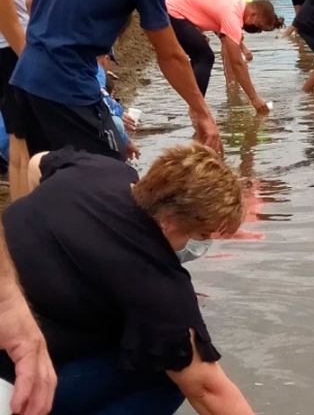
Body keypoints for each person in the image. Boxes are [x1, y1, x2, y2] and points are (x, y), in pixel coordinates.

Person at [0, 143, 254, 414]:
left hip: (15, 316)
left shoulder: (102, 170)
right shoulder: (157, 284)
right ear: (169, 220)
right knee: (165, 371)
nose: (202, 245)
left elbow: (36, 163)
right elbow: (208, 390)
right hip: (18, 378)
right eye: (202, 235)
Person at [9, 0, 222, 170]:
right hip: (68, 86)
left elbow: (31, 2)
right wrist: (203, 114)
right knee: (111, 180)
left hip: (25, 76)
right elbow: (171, 55)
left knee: (50, 179)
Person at [166, 0, 283, 114]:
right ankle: (196, 110)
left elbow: (209, 9)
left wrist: (196, 31)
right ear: (253, 16)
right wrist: (254, 98)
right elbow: (237, 63)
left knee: (200, 52)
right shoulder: (232, 13)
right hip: (171, 7)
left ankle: (195, 104)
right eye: (259, 27)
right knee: (204, 57)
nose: (256, 30)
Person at [0, 0, 35, 201]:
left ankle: (21, 227)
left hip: (12, 40)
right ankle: (27, 231)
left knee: (19, 137)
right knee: (27, 141)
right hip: (13, 41)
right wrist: (25, 51)